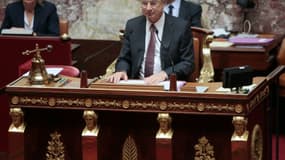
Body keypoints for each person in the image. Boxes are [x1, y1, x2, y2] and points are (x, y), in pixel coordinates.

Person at [107, 0, 194, 85]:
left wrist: (165, 74)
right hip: (137, 84)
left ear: (163, 3)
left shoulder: (180, 27)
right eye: (144, 3)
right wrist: (122, 70)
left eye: (153, 3)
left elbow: (188, 63)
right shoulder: (133, 25)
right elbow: (124, 58)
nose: (148, 8)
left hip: (166, 85)